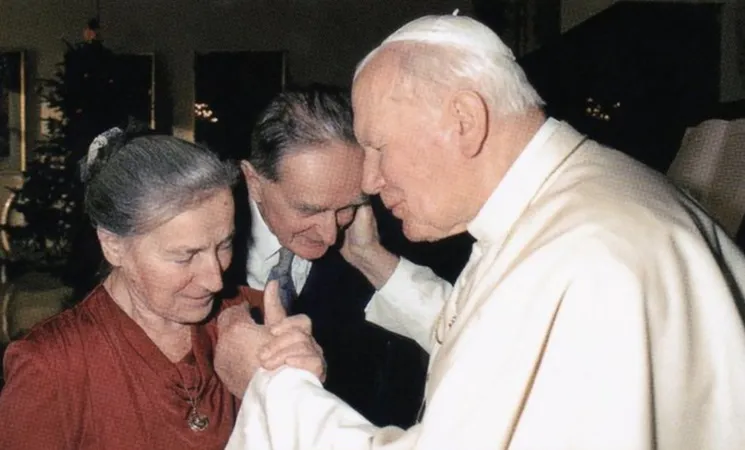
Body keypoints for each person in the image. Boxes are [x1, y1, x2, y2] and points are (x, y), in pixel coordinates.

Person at [218, 14, 745, 449]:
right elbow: (490, 335)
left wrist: (272, 387)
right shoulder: (583, 201)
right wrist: (373, 259)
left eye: (379, 147)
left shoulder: (575, 252)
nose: (371, 181)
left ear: (465, 121)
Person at [0, 129, 323, 449]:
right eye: (186, 256)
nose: (215, 280)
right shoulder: (52, 366)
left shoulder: (258, 319)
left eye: (224, 245)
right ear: (113, 246)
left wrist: (304, 390)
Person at [236, 85, 467, 425]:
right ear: (253, 181)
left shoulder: (384, 239)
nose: (330, 235)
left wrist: (368, 256)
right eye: (308, 210)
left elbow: (470, 339)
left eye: (348, 207)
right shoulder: (198, 241)